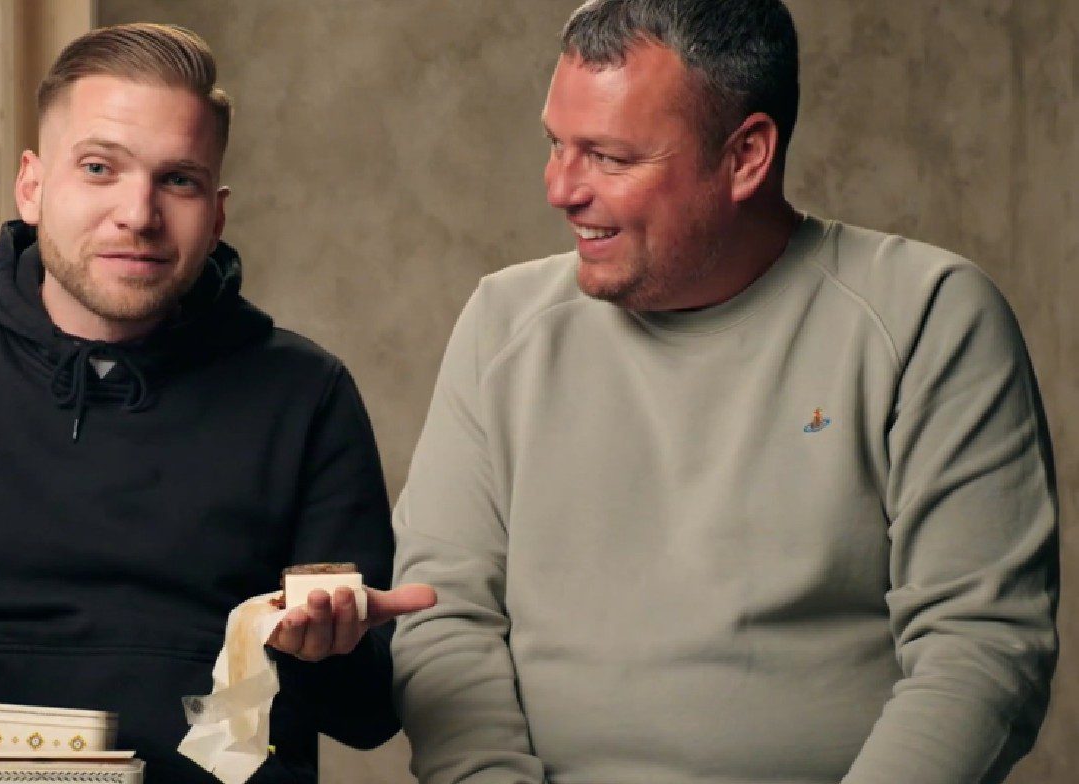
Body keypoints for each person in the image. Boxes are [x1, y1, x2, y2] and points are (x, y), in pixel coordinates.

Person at [0, 23, 433, 784]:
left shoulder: (306, 392)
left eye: (179, 180)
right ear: (32, 186)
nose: (138, 213)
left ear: (218, 212)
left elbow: (369, 716)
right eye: (100, 167)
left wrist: (327, 649)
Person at [391, 2, 1059, 783]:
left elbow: (978, 652)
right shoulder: (500, 326)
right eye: (555, 144)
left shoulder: (928, 316)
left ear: (746, 156)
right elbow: (444, 624)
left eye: (608, 156)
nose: (559, 189)